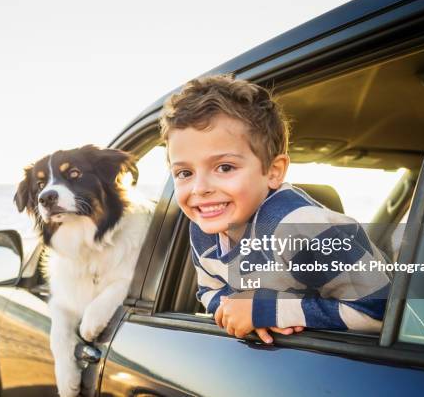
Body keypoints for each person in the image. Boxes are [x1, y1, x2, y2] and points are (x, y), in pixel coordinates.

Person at [159, 74, 391, 344]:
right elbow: (209, 290)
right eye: (184, 172)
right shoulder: (203, 229)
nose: (199, 189)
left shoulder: (299, 226)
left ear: (273, 171)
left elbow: (380, 311)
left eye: (224, 167)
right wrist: (238, 311)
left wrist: (268, 311)